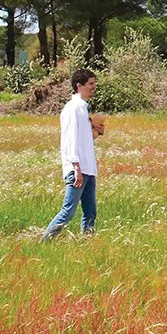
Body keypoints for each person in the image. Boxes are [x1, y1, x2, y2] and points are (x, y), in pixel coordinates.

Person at [42, 69, 98, 240]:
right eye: (90, 84)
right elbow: (70, 140)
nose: (94, 87)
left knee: (90, 212)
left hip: (88, 168)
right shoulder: (72, 109)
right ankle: (44, 241)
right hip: (78, 169)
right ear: (79, 86)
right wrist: (76, 168)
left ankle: (86, 243)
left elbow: (84, 139)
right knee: (68, 211)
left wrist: (96, 131)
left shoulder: (83, 109)